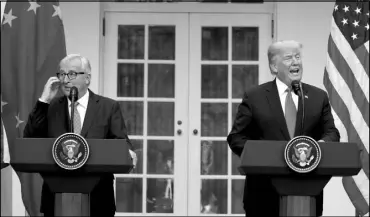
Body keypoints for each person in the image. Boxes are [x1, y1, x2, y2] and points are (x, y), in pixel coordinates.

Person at [227, 40, 340, 216]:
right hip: (262, 194)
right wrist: (263, 155)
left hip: (308, 192)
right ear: (274, 67)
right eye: (288, 58)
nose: (296, 62)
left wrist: (321, 145)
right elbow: (236, 137)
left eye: (298, 57)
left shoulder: (318, 97)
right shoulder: (255, 96)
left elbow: (331, 132)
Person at [23, 54, 137, 216]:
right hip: (56, 196)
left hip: (98, 197)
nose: (65, 80)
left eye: (72, 74)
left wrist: (128, 153)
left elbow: (121, 143)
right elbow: (30, 139)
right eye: (62, 74)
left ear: (87, 79)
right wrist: (43, 100)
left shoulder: (108, 107)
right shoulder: (50, 106)